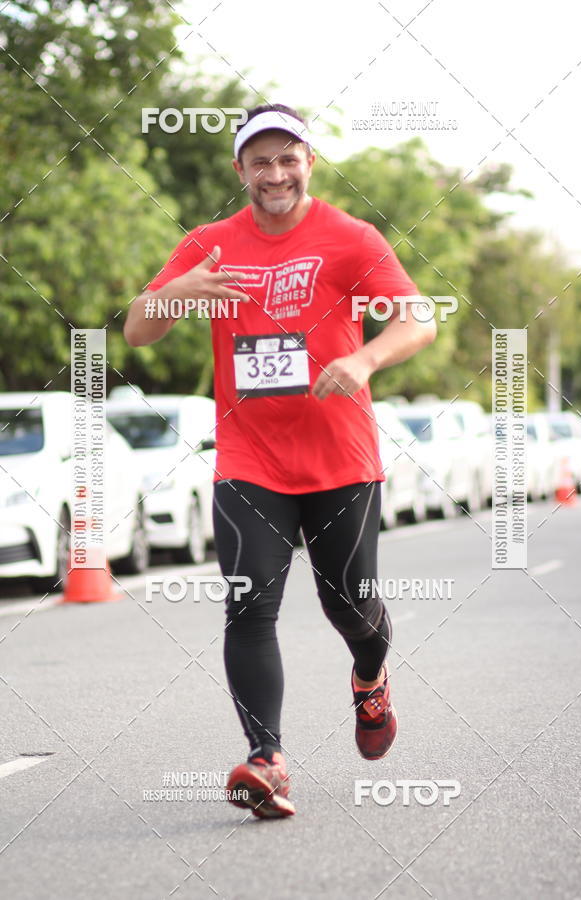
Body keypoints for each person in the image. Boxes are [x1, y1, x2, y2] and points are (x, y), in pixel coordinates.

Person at [124, 103, 436, 819]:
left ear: (309, 163)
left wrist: (364, 357)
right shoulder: (210, 244)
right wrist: (175, 293)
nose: (275, 173)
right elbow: (138, 330)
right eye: (260, 161)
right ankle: (267, 760)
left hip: (341, 461)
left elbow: (417, 318)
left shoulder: (349, 238)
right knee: (248, 606)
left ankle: (370, 675)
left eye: (287, 158)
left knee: (350, 605)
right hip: (248, 461)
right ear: (240, 171)